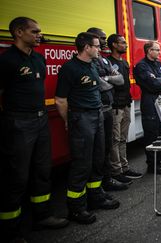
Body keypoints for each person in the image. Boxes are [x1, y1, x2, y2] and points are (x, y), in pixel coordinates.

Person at [0, 17, 69, 242]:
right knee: (17, 176)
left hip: (40, 122)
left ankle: (43, 216)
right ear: (19, 32)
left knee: (42, 170)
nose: (39, 35)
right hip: (18, 123)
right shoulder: (7, 61)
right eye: (34, 31)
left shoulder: (38, 59)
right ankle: (10, 231)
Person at [55, 32, 120, 225]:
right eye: (97, 46)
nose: (100, 49)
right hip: (81, 117)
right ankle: (76, 208)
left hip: (96, 114)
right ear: (86, 48)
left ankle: (95, 197)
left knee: (97, 159)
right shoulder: (70, 68)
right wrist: (69, 120)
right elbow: (60, 100)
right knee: (81, 163)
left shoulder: (92, 65)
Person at [87, 27, 130, 191]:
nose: (102, 42)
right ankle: (114, 173)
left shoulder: (104, 61)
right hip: (105, 107)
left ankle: (120, 171)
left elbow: (119, 80)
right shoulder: (91, 62)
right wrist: (107, 79)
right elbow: (101, 84)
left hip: (112, 104)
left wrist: (107, 78)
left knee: (117, 140)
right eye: (100, 39)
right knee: (111, 142)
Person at [107, 34, 143, 180]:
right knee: (114, 140)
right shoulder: (108, 62)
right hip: (115, 106)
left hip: (126, 104)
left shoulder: (124, 63)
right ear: (114, 45)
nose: (126, 45)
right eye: (122, 43)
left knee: (122, 138)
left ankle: (125, 167)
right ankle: (117, 171)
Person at [133, 41, 161, 174]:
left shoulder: (159, 65)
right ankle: (152, 164)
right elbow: (152, 84)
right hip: (149, 102)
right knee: (151, 134)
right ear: (149, 51)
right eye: (157, 50)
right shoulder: (141, 66)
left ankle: (159, 162)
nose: (159, 52)